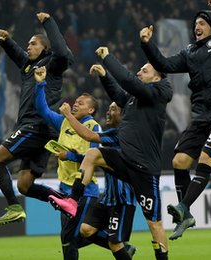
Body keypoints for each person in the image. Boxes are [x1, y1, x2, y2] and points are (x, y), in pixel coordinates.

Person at [139, 0, 211, 239]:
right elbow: (164, 64)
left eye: (202, 23)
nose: (197, 27)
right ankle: (186, 214)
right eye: (195, 24)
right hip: (201, 116)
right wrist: (147, 44)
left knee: (205, 158)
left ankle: (189, 206)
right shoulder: (189, 52)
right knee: (179, 161)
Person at [58, 46, 172, 259]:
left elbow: (128, 82)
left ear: (156, 78)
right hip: (125, 162)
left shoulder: (155, 95)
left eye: (144, 71)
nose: (139, 73)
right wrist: (104, 76)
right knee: (94, 155)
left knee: (154, 223)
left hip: (144, 170)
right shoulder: (132, 103)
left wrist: (108, 58)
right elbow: (120, 94)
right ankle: (73, 199)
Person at [0, 11, 74, 226]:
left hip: (35, 125)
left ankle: (13, 207)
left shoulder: (52, 64)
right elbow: (18, 55)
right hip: (42, 132)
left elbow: (63, 52)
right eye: (28, 44)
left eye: (33, 44)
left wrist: (49, 23)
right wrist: (7, 41)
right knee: (25, 186)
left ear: (45, 48)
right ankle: (67, 201)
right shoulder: (29, 67)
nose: (28, 47)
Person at [54, 101, 138, 260]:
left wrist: (68, 115)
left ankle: (122, 248)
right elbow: (93, 157)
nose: (108, 112)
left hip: (122, 199)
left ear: (124, 115)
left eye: (113, 109)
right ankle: (123, 248)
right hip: (108, 198)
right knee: (85, 230)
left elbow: (88, 135)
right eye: (108, 108)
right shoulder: (111, 134)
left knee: (115, 244)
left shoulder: (124, 135)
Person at [33, 66, 100, 260]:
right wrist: (40, 84)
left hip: (85, 190)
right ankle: (115, 241)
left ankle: (115, 240)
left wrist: (69, 156)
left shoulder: (93, 127)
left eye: (81, 103)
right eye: (75, 102)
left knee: (71, 236)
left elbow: (94, 158)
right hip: (65, 189)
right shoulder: (64, 121)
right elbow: (42, 110)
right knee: (66, 238)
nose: (75, 104)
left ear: (91, 109)